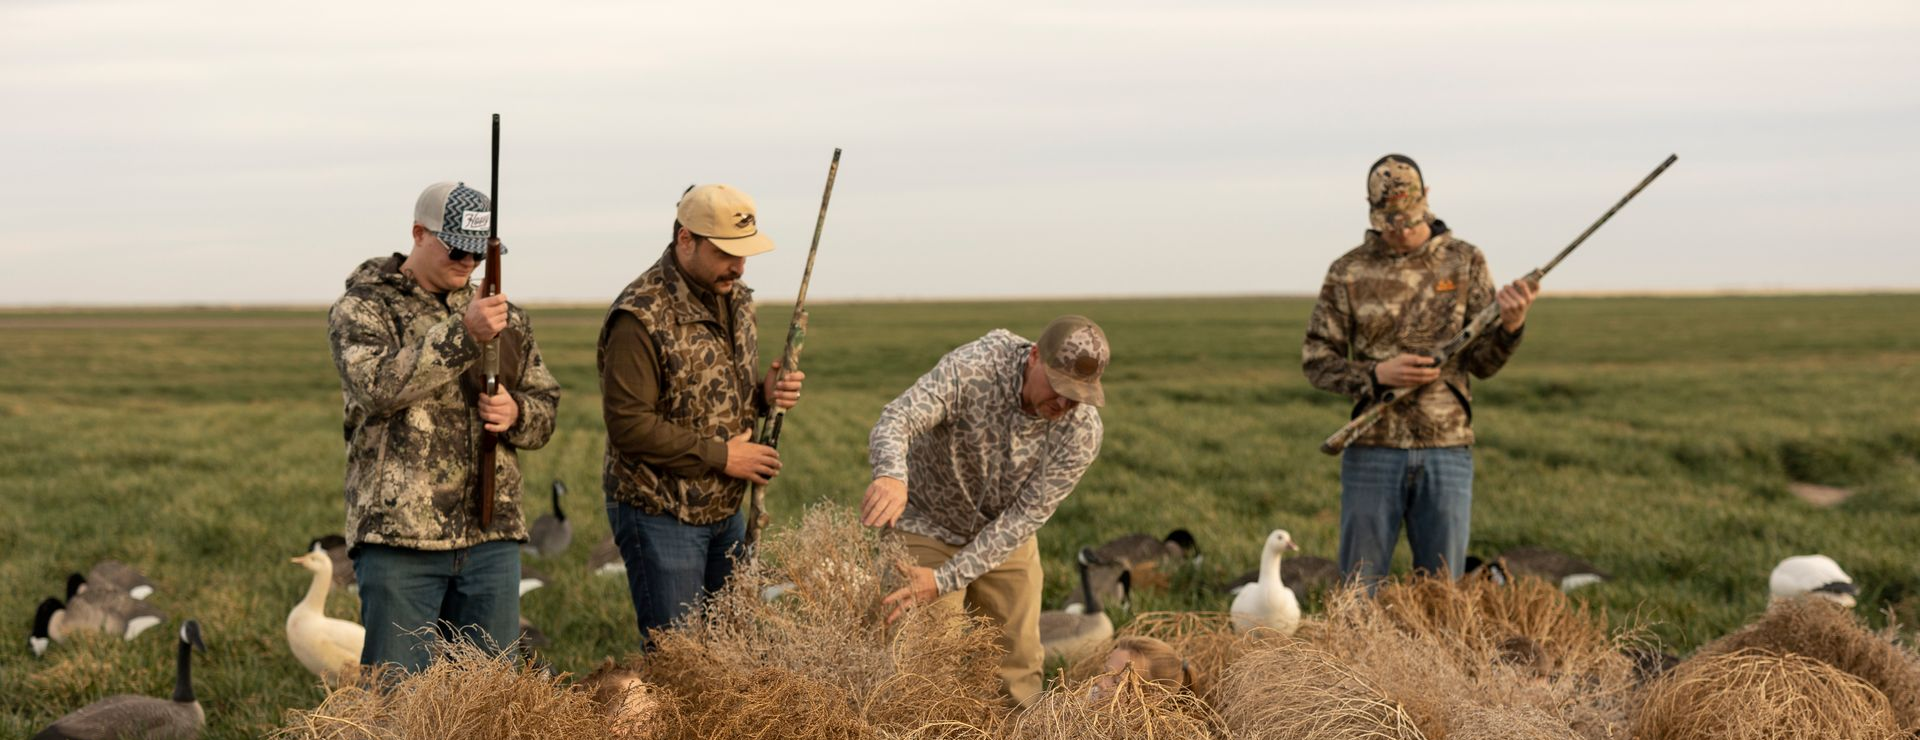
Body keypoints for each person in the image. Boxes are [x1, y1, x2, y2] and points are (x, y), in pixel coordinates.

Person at [327, 181, 561, 672]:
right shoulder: (364, 308)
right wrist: (463, 335)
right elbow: (376, 388)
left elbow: (545, 408)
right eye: (457, 249)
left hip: (490, 537)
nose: (468, 264)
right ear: (417, 234)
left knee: (487, 697)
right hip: (400, 542)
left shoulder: (506, 318)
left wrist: (517, 413)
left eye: (478, 255)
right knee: (402, 699)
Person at [1302, 154, 1538, 584]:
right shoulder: (1348, 271)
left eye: (1409, 220)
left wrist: (1512, 325)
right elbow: (1316, 361)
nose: (1402, 231)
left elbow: (1483, 364)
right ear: (1372, 213)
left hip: (1446, 450)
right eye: (1390, 222)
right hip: (1372, 448)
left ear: (1427, 199)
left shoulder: (1465, 261)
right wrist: (1376, 375)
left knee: (1442, 594)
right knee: (1358, 590)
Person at [863, 315, 1109, 706]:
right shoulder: (975, 368)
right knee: (924, 657)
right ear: (1034, 357)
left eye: (1077, 395)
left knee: (1017, 662)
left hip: (1005, 534)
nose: (1063, 403)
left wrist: (946, 579)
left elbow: (1023, 519)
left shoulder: (1082, 430)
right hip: (927, 521)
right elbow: (898, 418)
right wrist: (892, 475)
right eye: (1059, 386)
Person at [598, 183, 805, 647]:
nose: (740, 264)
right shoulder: (640, 315)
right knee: (681, 662)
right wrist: (723, 458)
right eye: (727, 252)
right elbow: (629, 425)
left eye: (745, 252)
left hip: (725, 510)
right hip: (662, 512)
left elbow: (715, 399)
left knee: (731, 652)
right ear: (686, 240)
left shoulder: (738, 299)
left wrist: (764, 394)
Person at [1088, 636, 1195, 701]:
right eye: (1105, 673)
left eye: (1117, 682)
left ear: (1154, 699)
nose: (1100, 683)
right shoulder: (1091, 697)